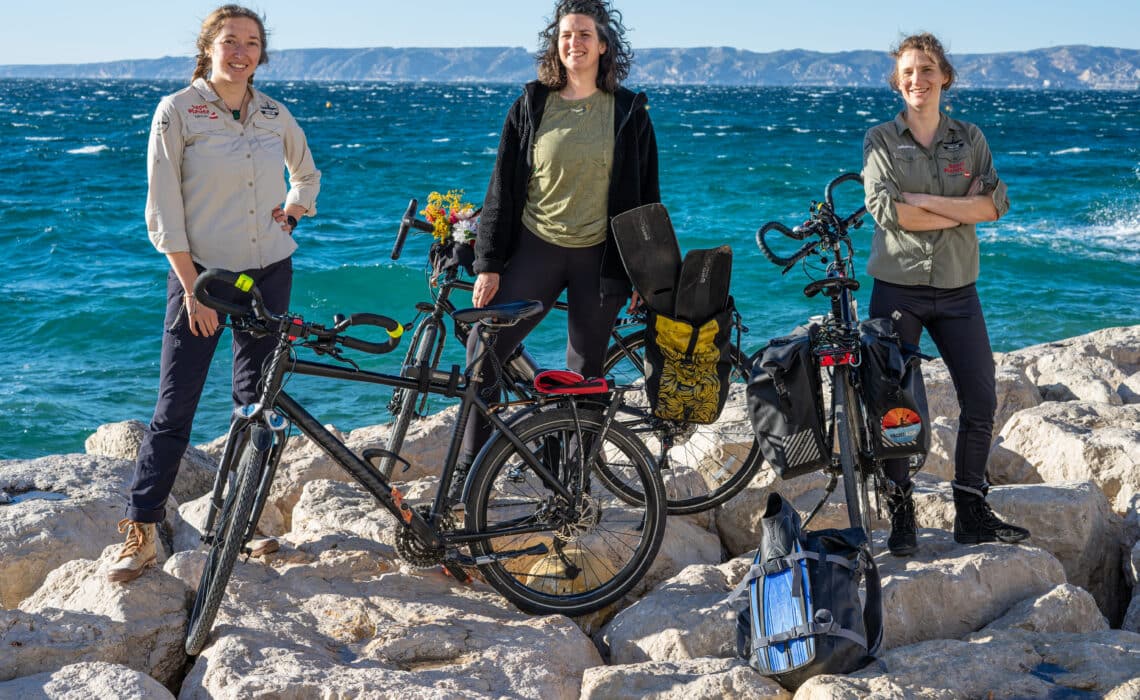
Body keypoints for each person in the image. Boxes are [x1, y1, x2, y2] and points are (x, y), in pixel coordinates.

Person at [108, 4, 320, 582]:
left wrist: (294, 209)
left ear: (261, 53)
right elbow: (163, 209)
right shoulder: (177, 111)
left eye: (252, 42)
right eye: (231, 41)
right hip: (201, 278)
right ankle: (141, 529)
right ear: (209, 48)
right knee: (175, 405)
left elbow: (306, 172)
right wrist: (192, 292)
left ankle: (241, 525)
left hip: (269, 272)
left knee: (254, 405)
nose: (241, 51)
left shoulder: (275, 113)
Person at [456, 0, 659, 495]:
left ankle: (573, 481)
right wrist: (488, 264)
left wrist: (641, 274)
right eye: (566, 35)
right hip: (537, 247)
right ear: (557, 45)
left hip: (600, 257)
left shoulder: (631, 111)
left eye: (585, 34)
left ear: (604, 45)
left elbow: (646, 199)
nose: (575, 43)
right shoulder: (532, 104)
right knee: (483, 349)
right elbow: (500, 188)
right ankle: (472, 470)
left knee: (585, 373)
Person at [861, 33, 1030, 556]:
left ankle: (970, 510)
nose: (919, 79)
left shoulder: (969, 138)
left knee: (980, 399)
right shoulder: (880, 141)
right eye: (909, 71)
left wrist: (927, 201)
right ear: (898, 80)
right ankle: (901, 511)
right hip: (897, 291)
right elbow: (889, 212)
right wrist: (958, 208)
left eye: (928, 69)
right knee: (894, 409)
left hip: (959, 290)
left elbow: (994, 204)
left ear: (945, 77)